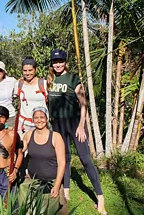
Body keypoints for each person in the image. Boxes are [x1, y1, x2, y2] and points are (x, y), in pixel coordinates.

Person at [47, 49, 106, 214]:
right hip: (58, 124)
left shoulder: (73, 78)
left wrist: (81, 125)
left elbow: (83, 103)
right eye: (55, 62)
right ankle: (66, 191)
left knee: (85, 158)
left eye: (60, 61)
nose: (58, 64)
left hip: (74, 123)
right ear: (52, 63)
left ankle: (100, 197)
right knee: (63, 157)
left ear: (65, 62)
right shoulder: (50, 79)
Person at [19, 107, 67, 215]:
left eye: (42, 117)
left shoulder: (56, 137)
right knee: (29, 209)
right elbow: (21, 151)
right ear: (32, 120)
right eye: (36, 118)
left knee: (56, 211)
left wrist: (57, 185)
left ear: (47, 118)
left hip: (52, 181)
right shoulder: (29, 135)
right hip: (33, 181)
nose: (39, 120)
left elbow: (62, 163)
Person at [15, 57, 48, 136]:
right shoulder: (19, 84)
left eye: (30, 70)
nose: (27, 73)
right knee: (23, 147)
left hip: (41, 124)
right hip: (23, 124)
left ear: (35, 70)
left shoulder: (44, 84)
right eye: (25, 71)